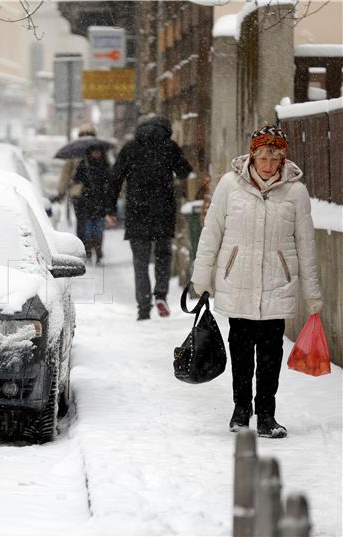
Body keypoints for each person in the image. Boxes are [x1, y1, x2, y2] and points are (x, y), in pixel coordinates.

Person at [190, 124, 322, 439]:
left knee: (270, 354)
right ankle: (240, 410)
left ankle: (266, 414)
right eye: (263, 156)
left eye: (274, 158)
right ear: (253, 156)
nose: (268, 164)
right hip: (238, 282)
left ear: (282, 160)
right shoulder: (229, 186)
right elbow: (212, 233)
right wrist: (202, 276)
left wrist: (312, 291)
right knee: (240, 349)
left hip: (278, 284)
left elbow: (306, 243)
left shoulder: (295, 191)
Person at [106, 115, 193, 320]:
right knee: (163, 256)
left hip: (137, 212)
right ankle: (161, 294)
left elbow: (115, 179)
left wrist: (110, 209)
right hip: (163, 210)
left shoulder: (130, 148)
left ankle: (144, 307)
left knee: (140, 261)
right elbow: (184, 172)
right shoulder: (169, 146)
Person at [71, 145, 112, 264]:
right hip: (86, 201)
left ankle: (98, 253)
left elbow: (109, 181)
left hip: (100, 201)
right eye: (94, 152)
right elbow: (77, 179)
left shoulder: (105, 165)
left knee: (98, 229)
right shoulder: (84, 164)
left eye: (98, 151)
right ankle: (88, 251)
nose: (96, 154)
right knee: (88, 229)